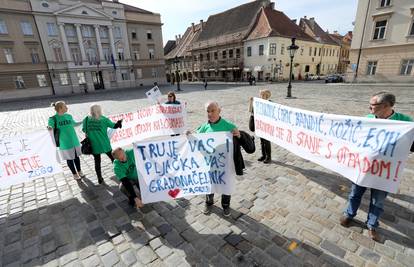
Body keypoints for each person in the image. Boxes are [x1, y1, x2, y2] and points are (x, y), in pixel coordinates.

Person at [340, 91, 413, 241]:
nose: (369, 108)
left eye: (372, 105)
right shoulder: (367, 119)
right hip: (364, 167)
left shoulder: (406, 123)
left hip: (385, 170)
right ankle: (349, 214)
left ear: (385, 106)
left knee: (377, 201)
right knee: (355, 193)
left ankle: (372, 225)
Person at [196, 101, 240, 217]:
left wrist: (238, 134)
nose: (210, 114)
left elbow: (241, 139)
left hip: (225, 165)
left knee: (226, 185)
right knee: (209, 185)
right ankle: (208, 203)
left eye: (213, 111)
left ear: (219, 111)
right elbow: (194, 140)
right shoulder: (204, 127)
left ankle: (226, 206)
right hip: (210, 164)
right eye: (208, 111)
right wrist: (188, 135)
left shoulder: (228, 125)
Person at [82, 104, 122, 184]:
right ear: (99, 110)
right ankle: (120, 173)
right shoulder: (104, 119)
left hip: (94, 145)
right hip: (104, 144)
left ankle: (99, 178)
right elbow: (114, 126)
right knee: (113, 158)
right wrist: (119, 122)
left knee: (97, 161)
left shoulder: (86, 119)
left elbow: (84, 130)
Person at [47, 101, 84, 180]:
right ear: (60, 108)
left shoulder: (69, 116)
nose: (67, 107)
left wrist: (83, 121)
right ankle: (74, 174)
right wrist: (49, 128)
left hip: (74, 140)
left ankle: (79, 171)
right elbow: (50, 128)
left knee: (77, 157)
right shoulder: (53, 119)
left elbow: (74, 124)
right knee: (69, 159)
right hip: (64, 142)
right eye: (65, 106)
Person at [249, 89, 272, 163]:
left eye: (263, 95)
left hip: (267, 125)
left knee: (267, 141)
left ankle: (269, 157)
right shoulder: (257, 103)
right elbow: (250, 111)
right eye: (261, 94)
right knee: (262, 141)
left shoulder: (270, 103)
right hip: (260, 125)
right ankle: (263, 155)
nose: (261, 96)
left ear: (267, 96)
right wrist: (251, 102)